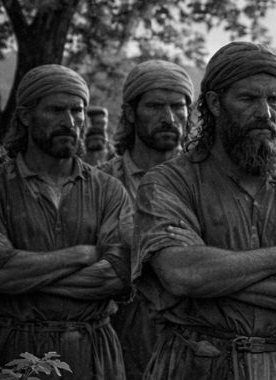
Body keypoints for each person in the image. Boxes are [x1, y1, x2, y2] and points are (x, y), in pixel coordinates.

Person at [135, 42, 276, 379]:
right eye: (248, 99)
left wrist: (214, 279)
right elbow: (181, 274)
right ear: (214, 103)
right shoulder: (168, 183)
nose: (265, 112)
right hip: (194, 364)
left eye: (274, 100)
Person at [0, 64, 133, 379]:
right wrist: (82, 254)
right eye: (55, 110)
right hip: (13, 351)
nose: (69, 122)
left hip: (94, 354)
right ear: (25, 115)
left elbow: (117, 277)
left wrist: (26, 276)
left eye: (76, 111)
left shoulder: (108, 189)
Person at [98, 59, 193, 380]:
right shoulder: (102, 184)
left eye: (178, 107)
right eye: (154, 106)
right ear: (129, 112)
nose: (169, 118)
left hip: (195, 346)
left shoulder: (207, 182)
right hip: (118, 341)